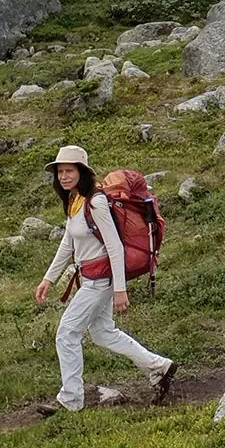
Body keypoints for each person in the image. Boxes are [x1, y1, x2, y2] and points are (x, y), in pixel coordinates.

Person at [34, 145, 176, 414]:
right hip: (93, 278)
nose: (63, 176)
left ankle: (70, 401)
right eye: (60, 171)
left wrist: (120, 290)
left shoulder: (96, 202)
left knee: (66, 333)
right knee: (103, 333)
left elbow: (114, 247)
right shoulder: (75, 202)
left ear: (82, 172)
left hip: (100, 280)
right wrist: (48, 279)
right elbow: (68, 242)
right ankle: (159, 367)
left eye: (69, 170)